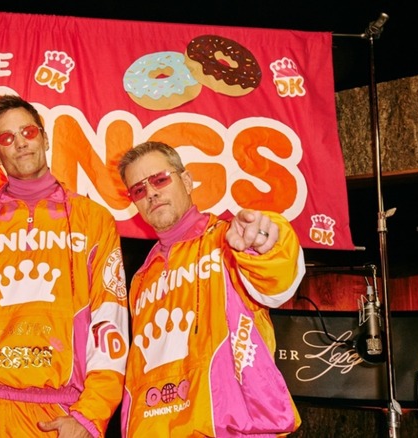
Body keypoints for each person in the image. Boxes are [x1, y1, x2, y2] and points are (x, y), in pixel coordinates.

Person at [0, 95, 129, 438]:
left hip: (61, 413)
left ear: (44, 138)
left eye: (28, 132)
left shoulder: (94, 219)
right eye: (6, 138)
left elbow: (110, 321)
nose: (20, 143)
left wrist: (90, 417)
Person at [116, 141, 305, 437]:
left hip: (233, 430)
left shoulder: (228, 241)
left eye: (159, 179)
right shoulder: (141, 278)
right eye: (138, 190)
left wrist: (266, 242)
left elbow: (278, 280)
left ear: (187, 181)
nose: (150, 192)